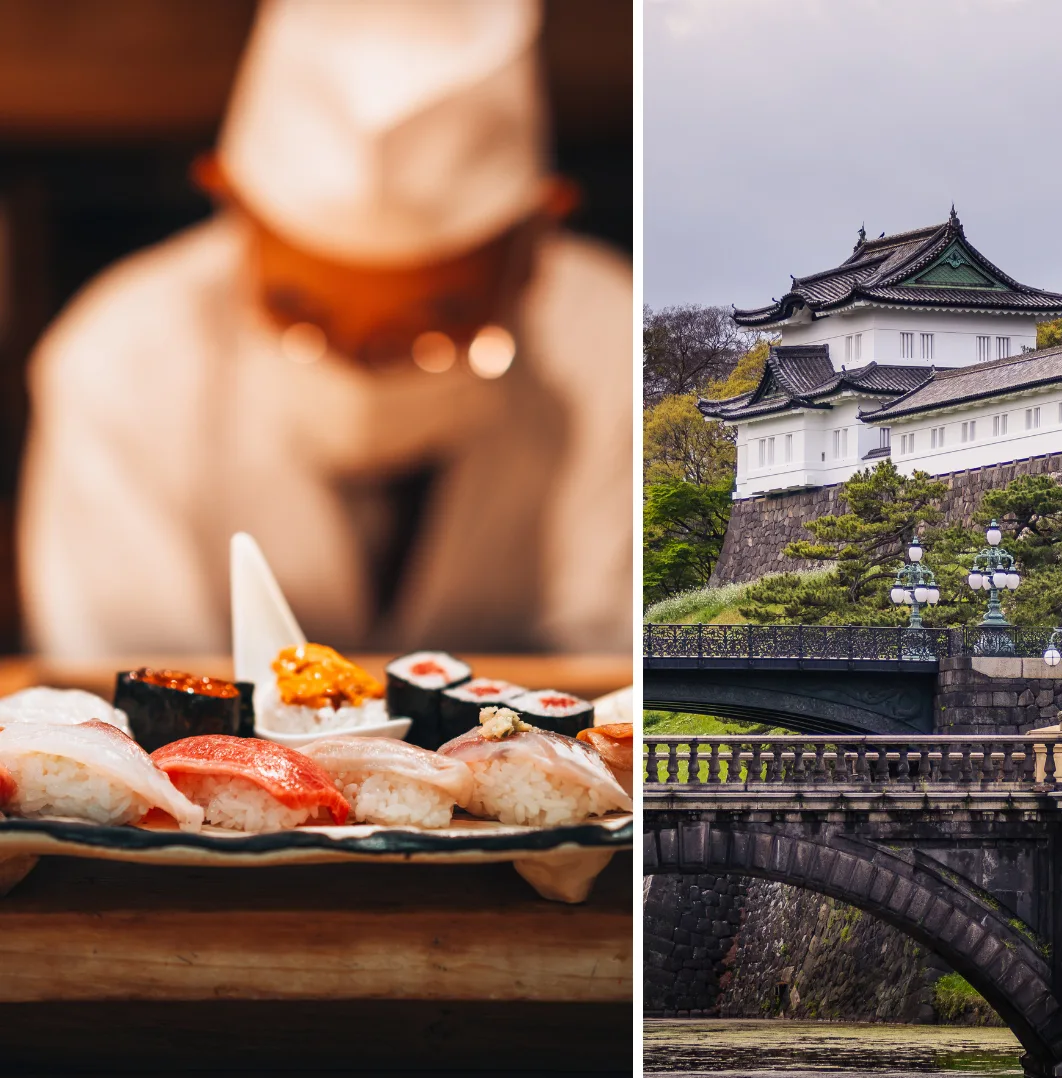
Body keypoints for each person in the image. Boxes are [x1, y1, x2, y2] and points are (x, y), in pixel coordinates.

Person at [17, 0, 631, 660]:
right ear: (232, 205)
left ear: (535, 241)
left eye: (439, 323)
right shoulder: (119, 357)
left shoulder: (619, 348)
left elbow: (622, 672)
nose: (361, 373)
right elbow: (122, 679)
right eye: (300, 312)